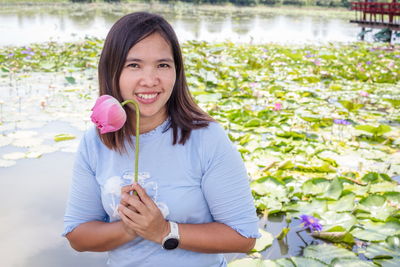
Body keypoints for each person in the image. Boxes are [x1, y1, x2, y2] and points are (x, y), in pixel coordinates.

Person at [63, 12, 260, 267]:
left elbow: (243, 237)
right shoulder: (95, 141)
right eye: (134, 65)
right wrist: (130, 228)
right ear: (112, 70)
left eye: (163, 65)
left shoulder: (207, 138)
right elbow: (78, 236)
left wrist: (164, 231)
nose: (150, 80)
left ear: (176, 71)